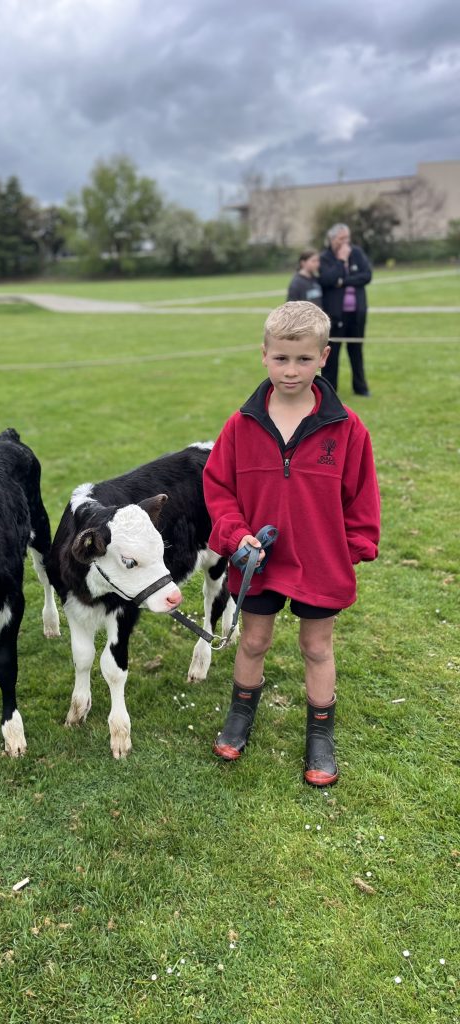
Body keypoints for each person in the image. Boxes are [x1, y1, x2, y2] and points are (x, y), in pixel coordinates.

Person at [203, 301, 380, 786]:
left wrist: (350, 549)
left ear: (324, 357)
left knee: (316, 647)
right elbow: (218, 489)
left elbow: (362, 499)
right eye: (281, 358)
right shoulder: (240, 426)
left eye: (303, 359)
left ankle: (320, 735)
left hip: (320, 562)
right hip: (257, 562)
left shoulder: (347, 428)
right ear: (264, 354)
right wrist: (236, 536)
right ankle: (240, 715)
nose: (291, 370)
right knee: (253, 640)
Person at [318, 223, 372, 396]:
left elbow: (366, 276)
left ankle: (360, 387)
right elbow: (327, 279)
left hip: (356, 313)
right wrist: (341, 261)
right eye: (341, 238)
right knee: (331, 353)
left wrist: (343, 281)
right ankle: (329, 391)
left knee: (356, 351)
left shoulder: (357, 253)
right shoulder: (325, 258)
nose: (345, 242)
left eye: (347, 238)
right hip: (334, 314)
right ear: (332, 239)